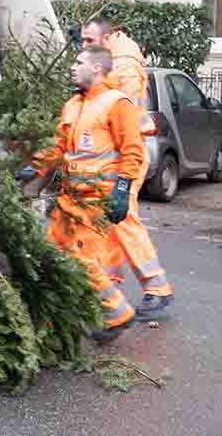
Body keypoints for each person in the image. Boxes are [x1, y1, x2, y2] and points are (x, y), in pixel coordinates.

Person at [18, 46, 143, 342]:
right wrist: (34, 168)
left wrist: (123, 190)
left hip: (96, 199)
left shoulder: (117, 103)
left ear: (98, 68)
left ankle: (118, 313)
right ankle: (52, 325)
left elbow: (132, 151)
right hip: (69, 199)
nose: (72, 67)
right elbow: (59, 147)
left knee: (80, 259)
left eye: (78, 62)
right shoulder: (72, 105)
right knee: (51, 254)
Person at [81, 18, 174, 321]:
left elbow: (125, 117)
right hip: (114, 157)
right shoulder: (111, 57)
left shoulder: (124, 65)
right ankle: (111, 288)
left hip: (127, 157)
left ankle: (157, 288)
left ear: (106, 38)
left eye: (88, 41)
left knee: (124, 220)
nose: (84, 46)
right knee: (110, 223)